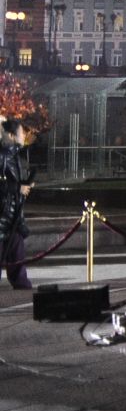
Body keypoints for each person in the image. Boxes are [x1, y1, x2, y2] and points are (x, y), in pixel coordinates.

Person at [1, 118, 35, 289]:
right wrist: (17, 188)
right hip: (3, 217)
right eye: (22, 133)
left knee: (16, 254)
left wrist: (25, 184)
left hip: (13, 216)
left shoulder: (14, 156)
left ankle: (22, 285)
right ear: (13, 136)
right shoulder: (3, 156)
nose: (24, 136)